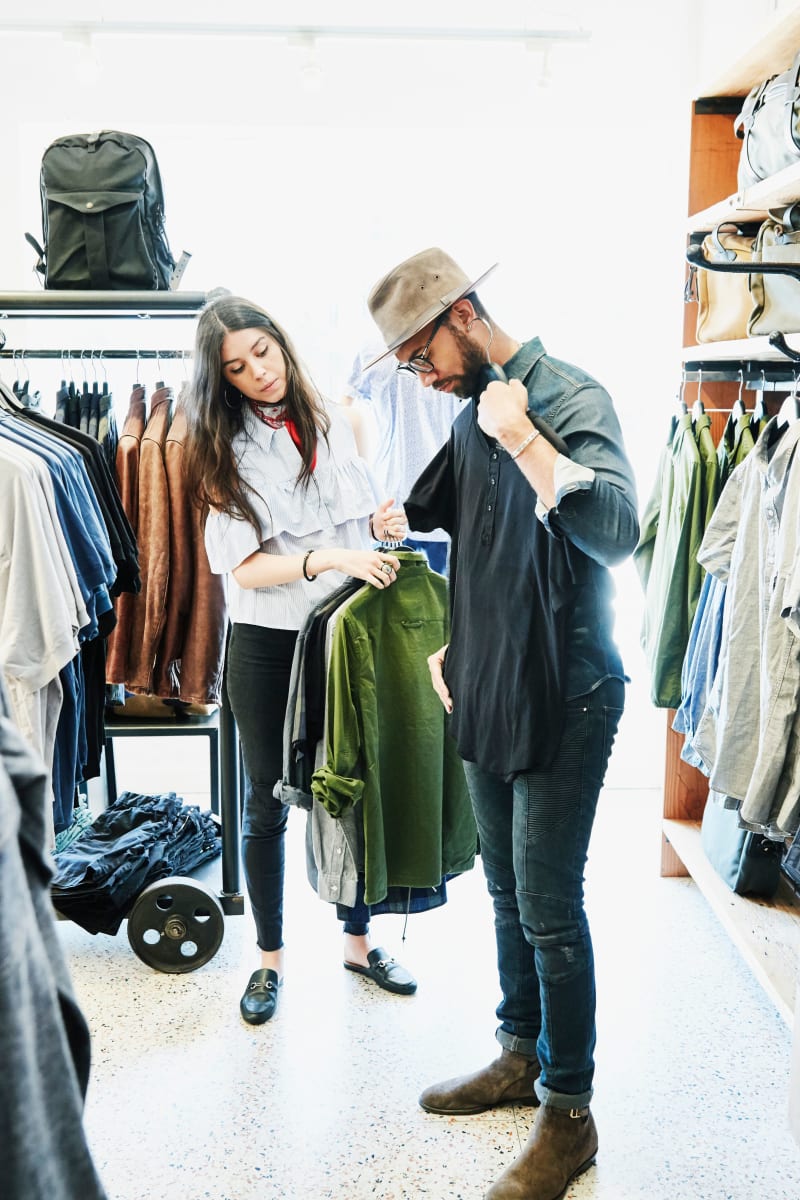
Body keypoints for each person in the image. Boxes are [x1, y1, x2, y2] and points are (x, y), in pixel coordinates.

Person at [364, 248, 639, 1200]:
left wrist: (528, 443)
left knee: (552, 906)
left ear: (465, 315)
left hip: (567, 688)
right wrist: (452, 634)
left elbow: (617, 531)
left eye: (420, 354)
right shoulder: (467, 410)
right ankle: (519, 1053)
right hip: (485, 679)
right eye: (406, 367)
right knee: (509, 896)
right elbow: (454, 526)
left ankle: (570, 1114)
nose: (422, 376)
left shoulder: (562, 398)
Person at [183, 294, 416, 1026]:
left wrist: (385, 523)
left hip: (346, 632)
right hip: (268, 642)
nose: (259, 371)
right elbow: (244, 570)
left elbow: (369, 518)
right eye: (238, 367)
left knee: (354, 787)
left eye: (263, 351)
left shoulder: (343, 419)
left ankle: (357, 942)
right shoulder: (218, 449)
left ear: (281, 342)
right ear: (220, 380)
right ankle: (268, 961)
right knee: (264, 803)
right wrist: (327, 556)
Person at [341, 345, 462, 575]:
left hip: (442, 507)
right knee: (388, 604)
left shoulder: (447, 348)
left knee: (443, 605)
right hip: (390, 508)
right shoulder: (370, 353)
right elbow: (341, 412)